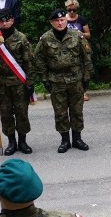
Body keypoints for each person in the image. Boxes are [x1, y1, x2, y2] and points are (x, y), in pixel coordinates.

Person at [33, 9, 93, 153]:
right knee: (60, 112)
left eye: (62, 20)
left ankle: (77, 138)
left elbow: (87, 57)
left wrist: (87, 76)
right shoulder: (45, 39)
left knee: (77, 110)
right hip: (56, 80)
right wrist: (44, 78)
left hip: (75, 78)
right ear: (51, 22)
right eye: (57, 21)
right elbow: (39, 59)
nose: (60, 23)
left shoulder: (77, 36)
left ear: (66, 20)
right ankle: (65, 140)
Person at [0, 8, 34, 155]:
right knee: (5, 113)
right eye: (1, 21)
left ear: (12, 20)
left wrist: (30, 82)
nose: (4, 23)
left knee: (22, 112)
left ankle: (22, 142)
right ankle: (11, 142)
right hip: (0, 82)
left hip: (18, 82)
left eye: (7, 20)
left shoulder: (21, 38)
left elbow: (28, 62)